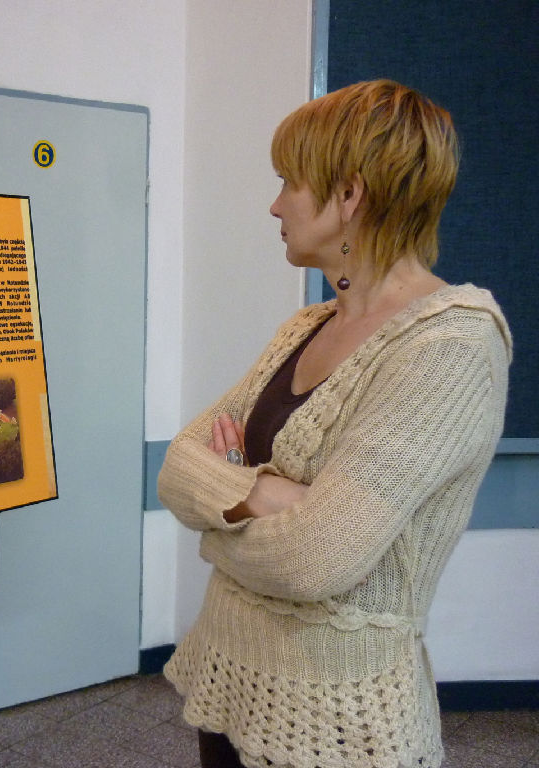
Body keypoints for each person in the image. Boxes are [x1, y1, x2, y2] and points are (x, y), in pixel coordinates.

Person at [158, 79, 511, 768]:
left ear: (349, 195)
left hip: (337, 723)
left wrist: (223, 509)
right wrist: (268, 495)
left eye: (289, 181)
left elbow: (313, 560)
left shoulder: (451, 345)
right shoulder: (306, 325)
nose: (275, 204)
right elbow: (177, 465)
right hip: (232, 679)